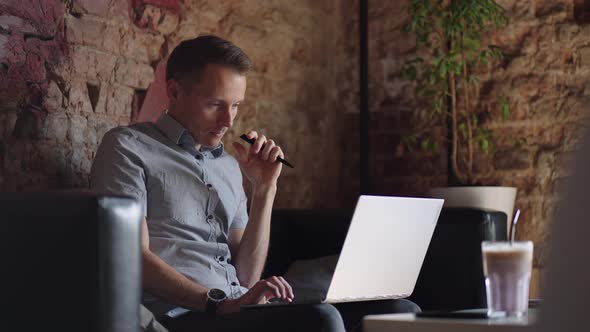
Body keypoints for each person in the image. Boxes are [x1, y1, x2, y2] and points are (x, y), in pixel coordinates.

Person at [91, 35, 417, 332]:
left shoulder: (228, 167)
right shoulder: (128, 148)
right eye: (215, 104)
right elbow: (130, 257)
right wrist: (218, 303)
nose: (229, 121)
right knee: (322, 319)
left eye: (235, 105)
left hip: (237, 308)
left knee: (399, 310)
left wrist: (264, 190)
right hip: (183, 315)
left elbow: (246, 277)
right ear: (174, 91)